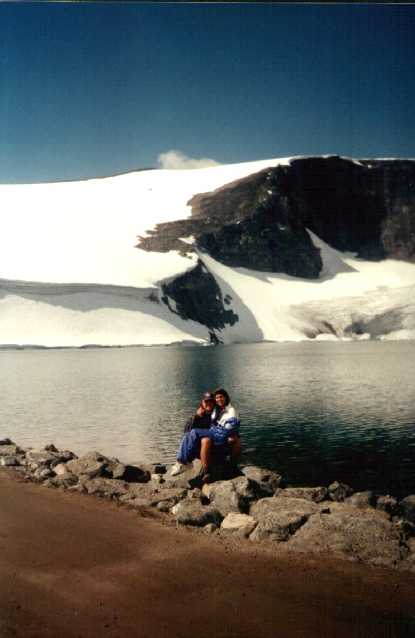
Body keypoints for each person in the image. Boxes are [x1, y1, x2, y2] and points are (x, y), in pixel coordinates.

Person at [171, 388, 241, 481]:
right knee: (192, 434)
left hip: (218, 440)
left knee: (196, 433)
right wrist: (196, 416)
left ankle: (184, 462)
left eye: (211, 401)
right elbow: (186, 435)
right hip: (197, 449)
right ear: (202, 403)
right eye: (206, 402)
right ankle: (184, 462)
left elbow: (232, 426)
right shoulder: (198, 416)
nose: (209, 403)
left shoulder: (222, 411)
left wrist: (231, 435)